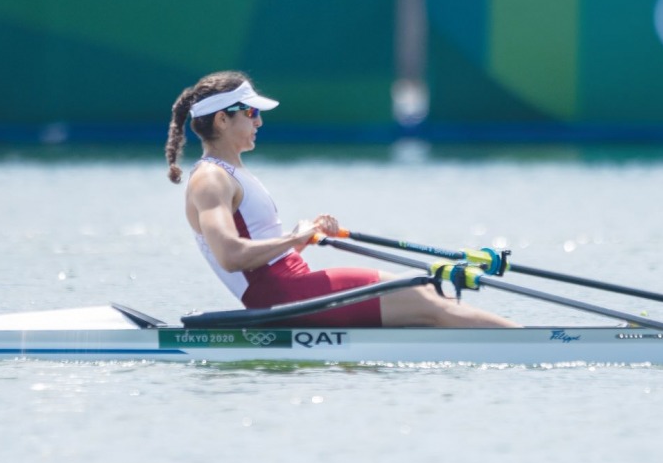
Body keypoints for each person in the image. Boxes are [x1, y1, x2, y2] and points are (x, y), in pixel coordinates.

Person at [165, 70, 518, 328]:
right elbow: (230, 256)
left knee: (431, 293)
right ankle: (535, 346)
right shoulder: (210, 179)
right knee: (425, 297)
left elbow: (257, 255)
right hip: (283, 297)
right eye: (251, 113)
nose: (259, 122)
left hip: (291, 287)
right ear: (222, 120)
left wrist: (301, 238)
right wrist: (293, 237)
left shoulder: (231, 173)